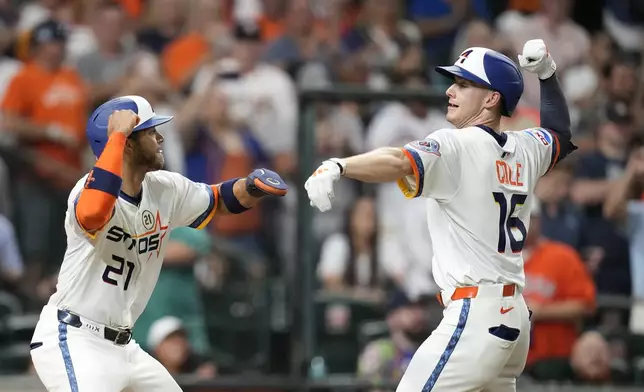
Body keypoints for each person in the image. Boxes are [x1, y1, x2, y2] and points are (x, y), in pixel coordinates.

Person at [305, 39, 576, 391]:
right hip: (513, 317)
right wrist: (547, 74)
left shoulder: (457, 143)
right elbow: (559, 132)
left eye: (464, 84)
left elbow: (399, 160)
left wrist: (340, 165)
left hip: (475, 315)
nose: (450, 90)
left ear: (492, 98)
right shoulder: (524, 147)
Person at [28, 95, 288, 392]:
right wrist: (118, 135)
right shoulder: (86, 191)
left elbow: (219, 200)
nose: (160, 137)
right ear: (125, 142)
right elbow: (93, 211)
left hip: (125, 345)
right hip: (76, 337)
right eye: (150, 132)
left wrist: (252, 186)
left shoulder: (164, 187)